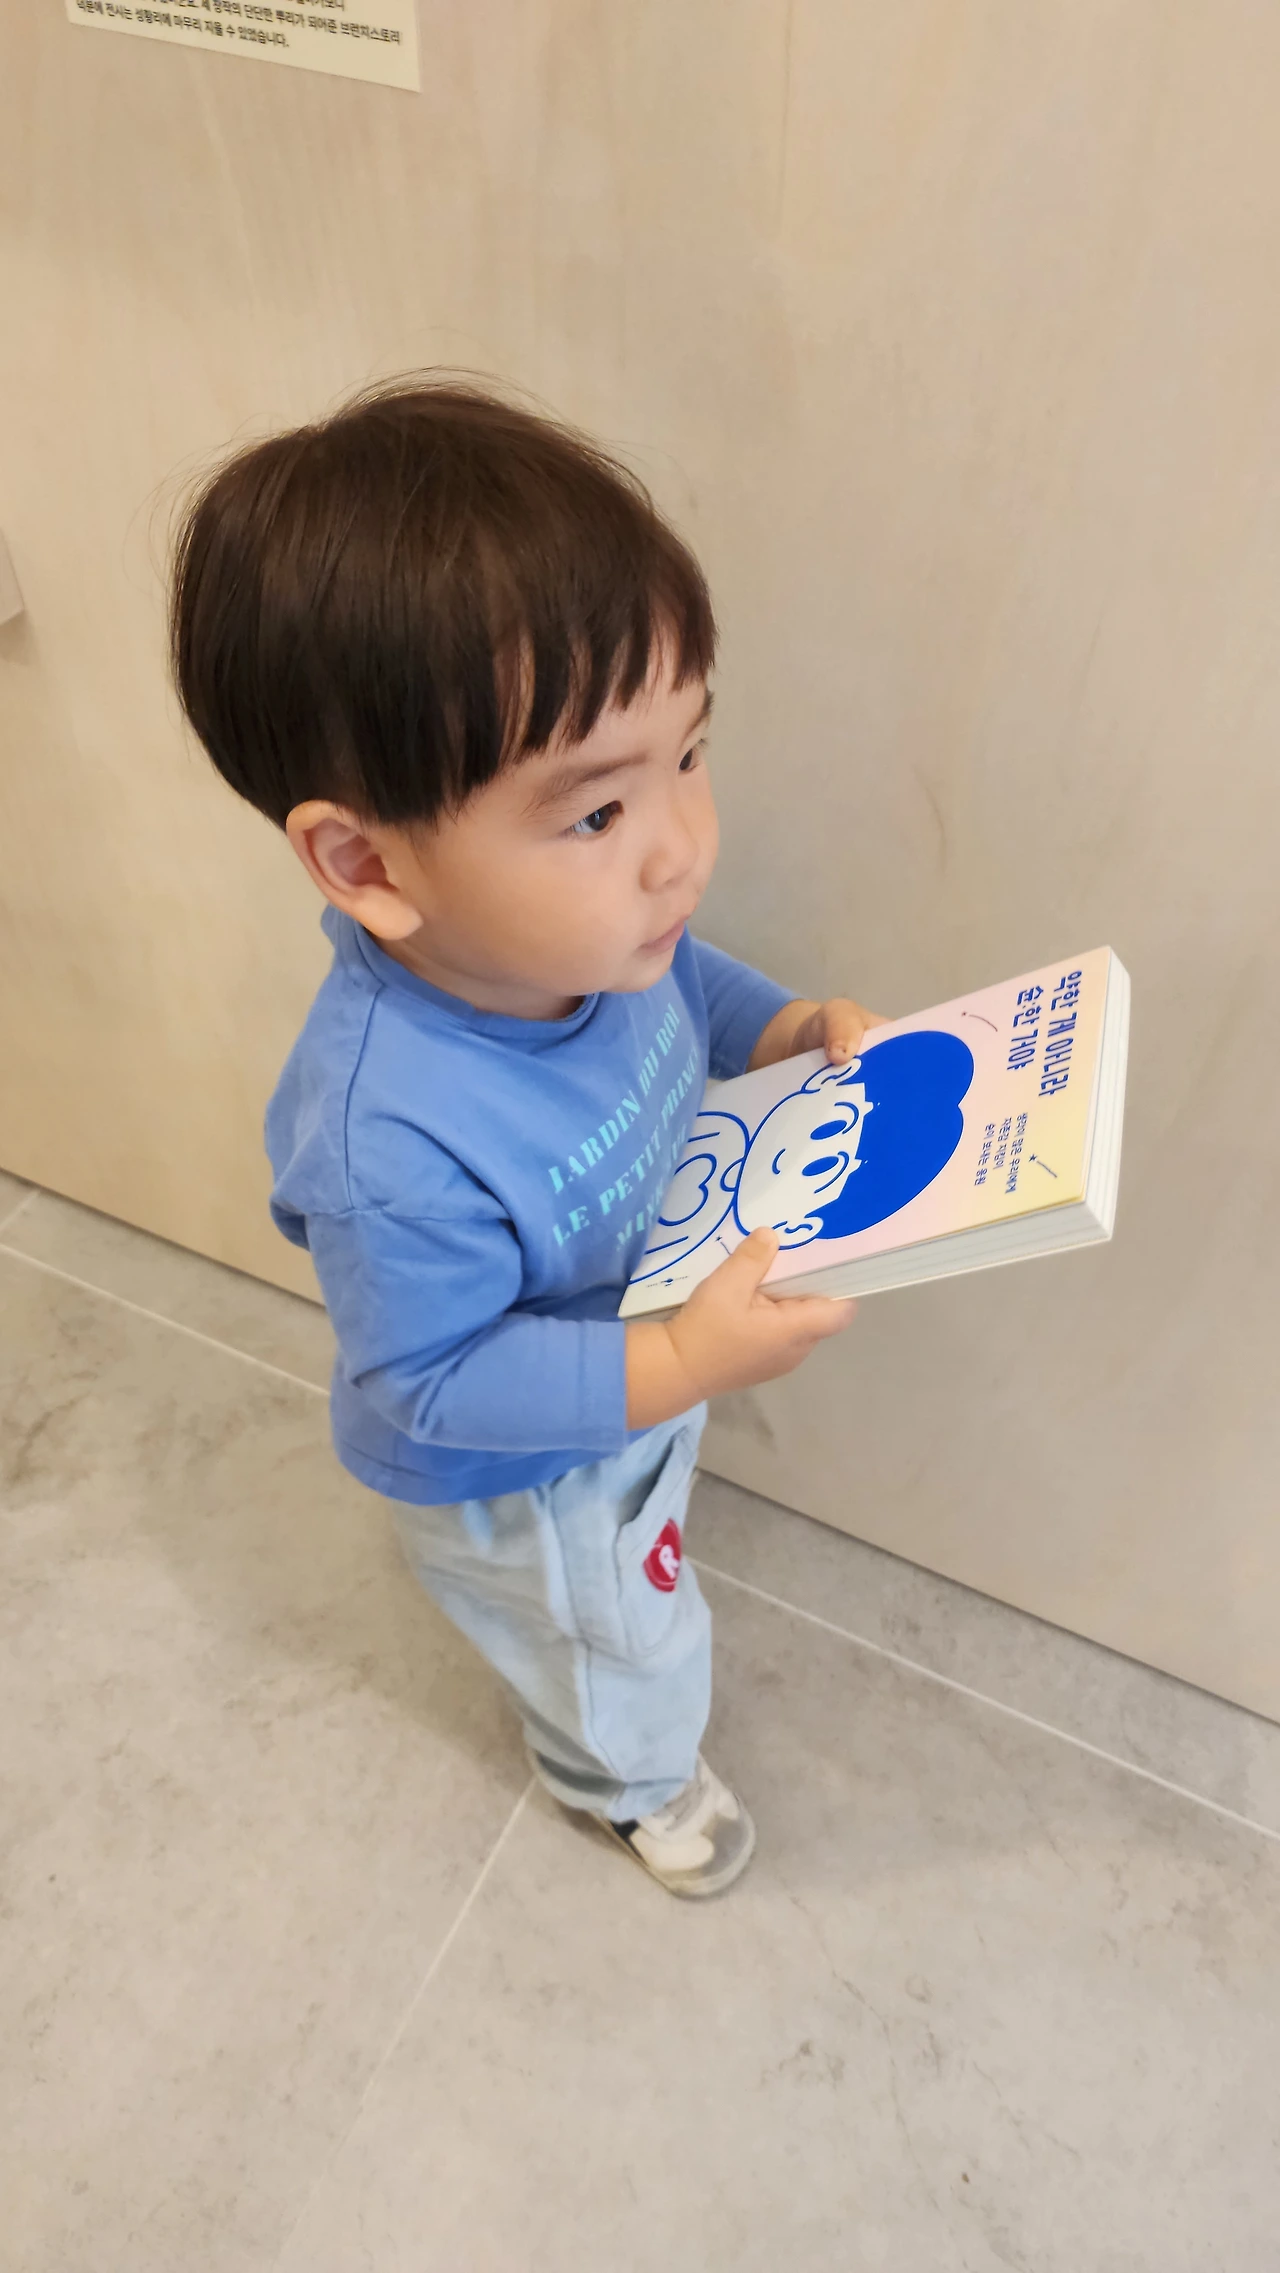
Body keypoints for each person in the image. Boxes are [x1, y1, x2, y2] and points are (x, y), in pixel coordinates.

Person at [170, 379, 880, 1898]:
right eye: (596, 814)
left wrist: (778, 1027)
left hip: (636, 1351)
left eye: (688, 753)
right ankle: (626, 1779)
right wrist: (676, 1364)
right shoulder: (391, 1142)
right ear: (368, 863)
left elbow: (685, 979)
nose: (680, 849)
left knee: (639, 1570)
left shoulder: (597, 944)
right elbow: (430, 1385)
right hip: (526, 1475)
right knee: (607, 1639)